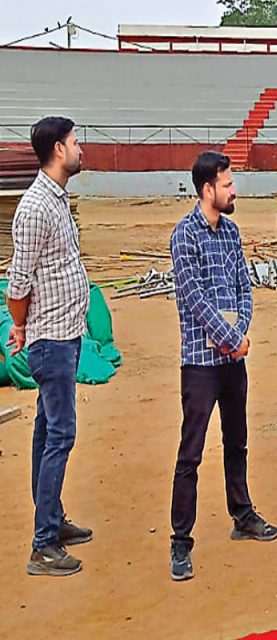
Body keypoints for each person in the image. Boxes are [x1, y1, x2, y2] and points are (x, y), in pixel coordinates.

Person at [169, 152, 277, 582]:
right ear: (207, 189)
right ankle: (181, 541)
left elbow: (243, 288)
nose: (234, 191)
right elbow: (194, 299)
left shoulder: (232, 233)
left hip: (233, 361)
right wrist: (231, 338)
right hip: (200, 363)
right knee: (191, 453)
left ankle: (242, 514)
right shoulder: (184, 236)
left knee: (237, 441)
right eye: (228, 184)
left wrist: (238, 335)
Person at [7, 116, 92, 577]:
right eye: (75, 142)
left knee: (47, 429)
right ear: (58, 150)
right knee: (61, 433)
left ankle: (53, 519)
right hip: (51, 338)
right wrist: (21, 327)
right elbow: (18, 281)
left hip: (65, 332)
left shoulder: (56, 199)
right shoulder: (36, 207)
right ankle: (43, 544)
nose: (80, 149)